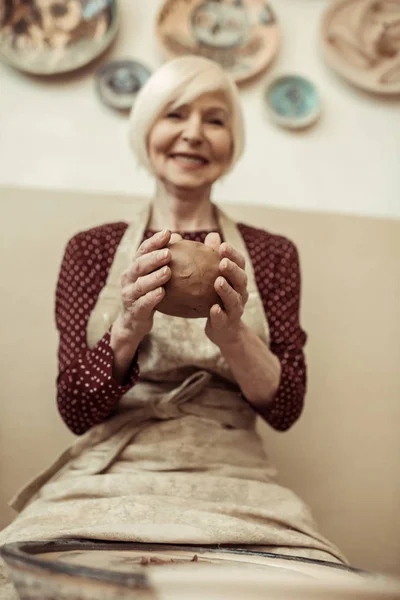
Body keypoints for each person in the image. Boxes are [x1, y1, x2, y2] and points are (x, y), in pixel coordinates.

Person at [0, 56, 347, 587]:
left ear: (233, 143)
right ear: (146, 130)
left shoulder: (272, 254)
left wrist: (232, 335)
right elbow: (74, 409)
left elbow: (286, 407)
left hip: (235, 479)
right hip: (110, 476)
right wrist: (128, 327)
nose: (193, 134)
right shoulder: (91, 250)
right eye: (175, 114)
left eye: (215, 119)